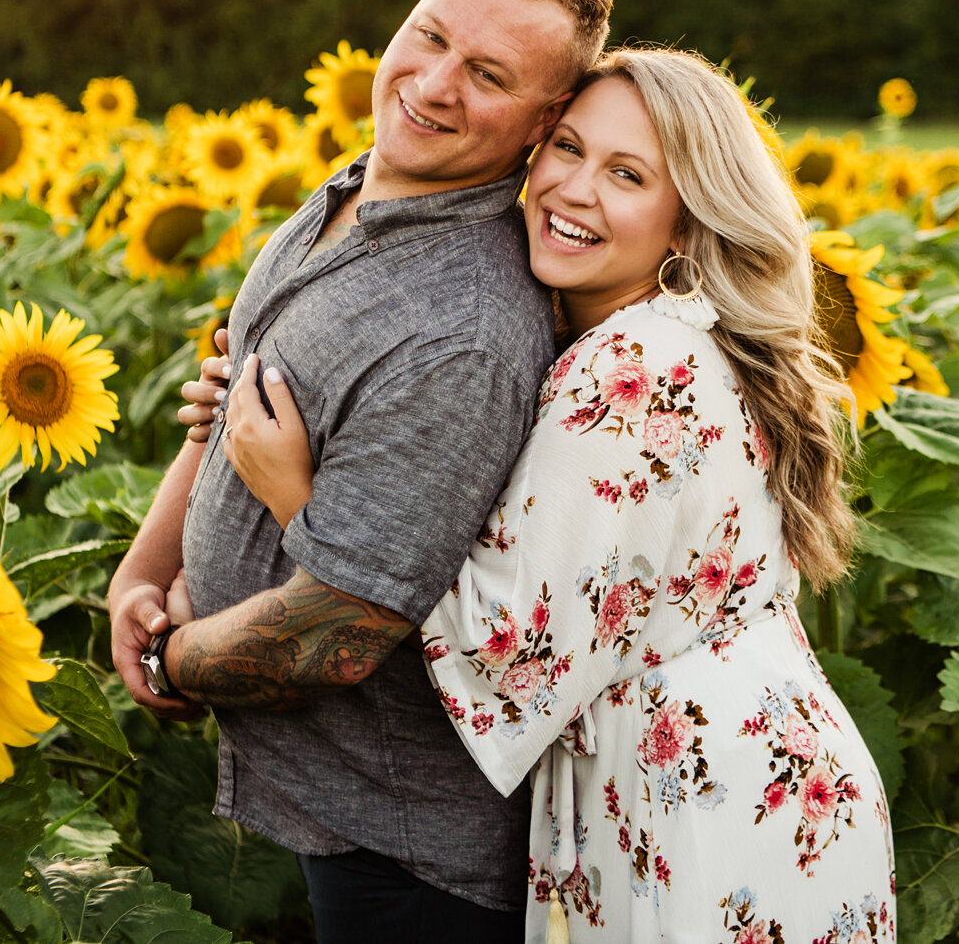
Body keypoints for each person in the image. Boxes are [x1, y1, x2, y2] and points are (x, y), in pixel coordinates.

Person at [210, 49, 897, 942]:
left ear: (688, 223)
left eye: (627, 174)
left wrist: (297, 493)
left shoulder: (630, 367)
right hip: (767, 776)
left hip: (696, 799)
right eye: (567, 148)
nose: (573, 188)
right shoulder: (675, 336)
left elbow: (513, 652)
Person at [105, 0, 614, 941]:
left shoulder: (461, 332)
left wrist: (168, 660)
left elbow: (335, 633)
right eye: (427, 35)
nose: (430, 84)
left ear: (543, 121)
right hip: (319, 804)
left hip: (404, 859)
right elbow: (229, 403)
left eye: (486, 72)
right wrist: (139, 573)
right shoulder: (351, 188)